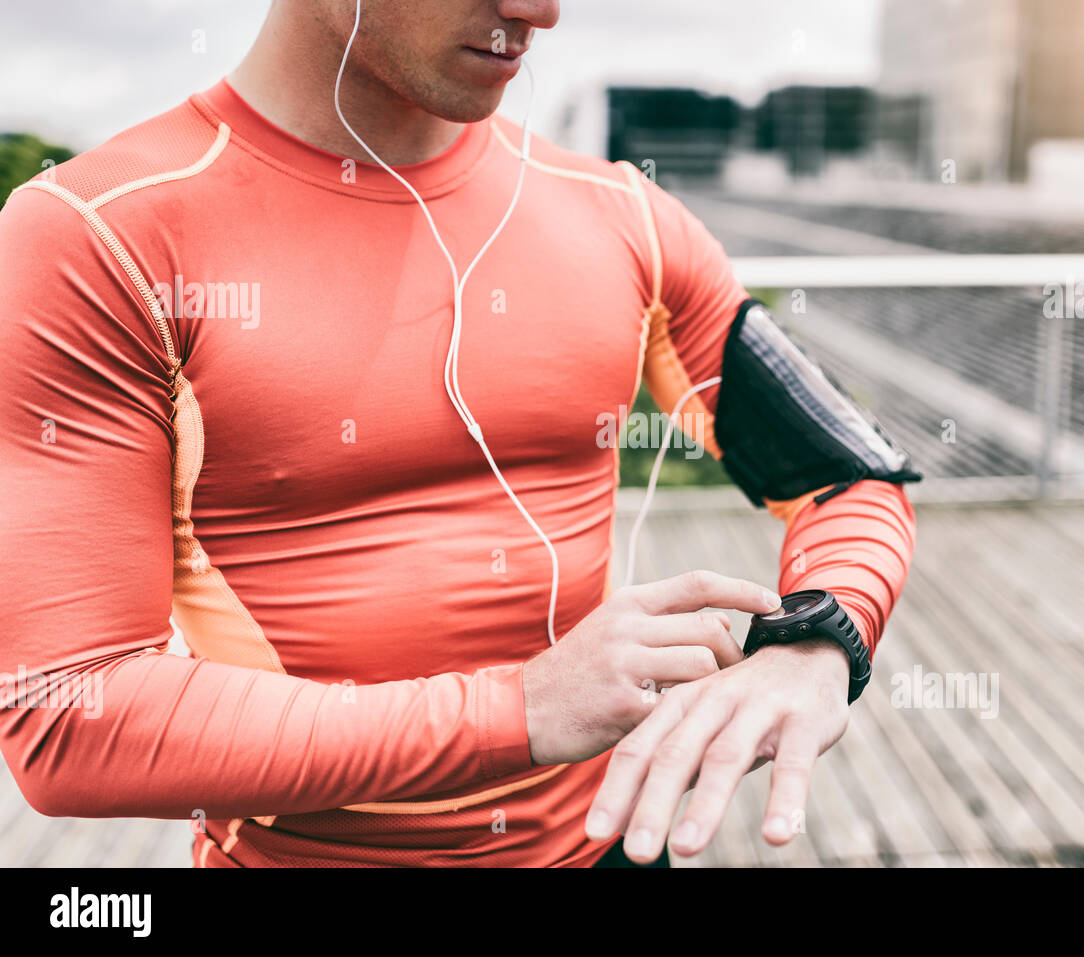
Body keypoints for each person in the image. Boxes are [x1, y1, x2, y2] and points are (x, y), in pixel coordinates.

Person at [0, 0, 918, 867]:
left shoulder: (623, 214)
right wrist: (516, 709)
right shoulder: (98, 236)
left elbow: (848, 472)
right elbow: (68, 714)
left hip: (608, 849)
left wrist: (819, 639)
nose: (543, 11)